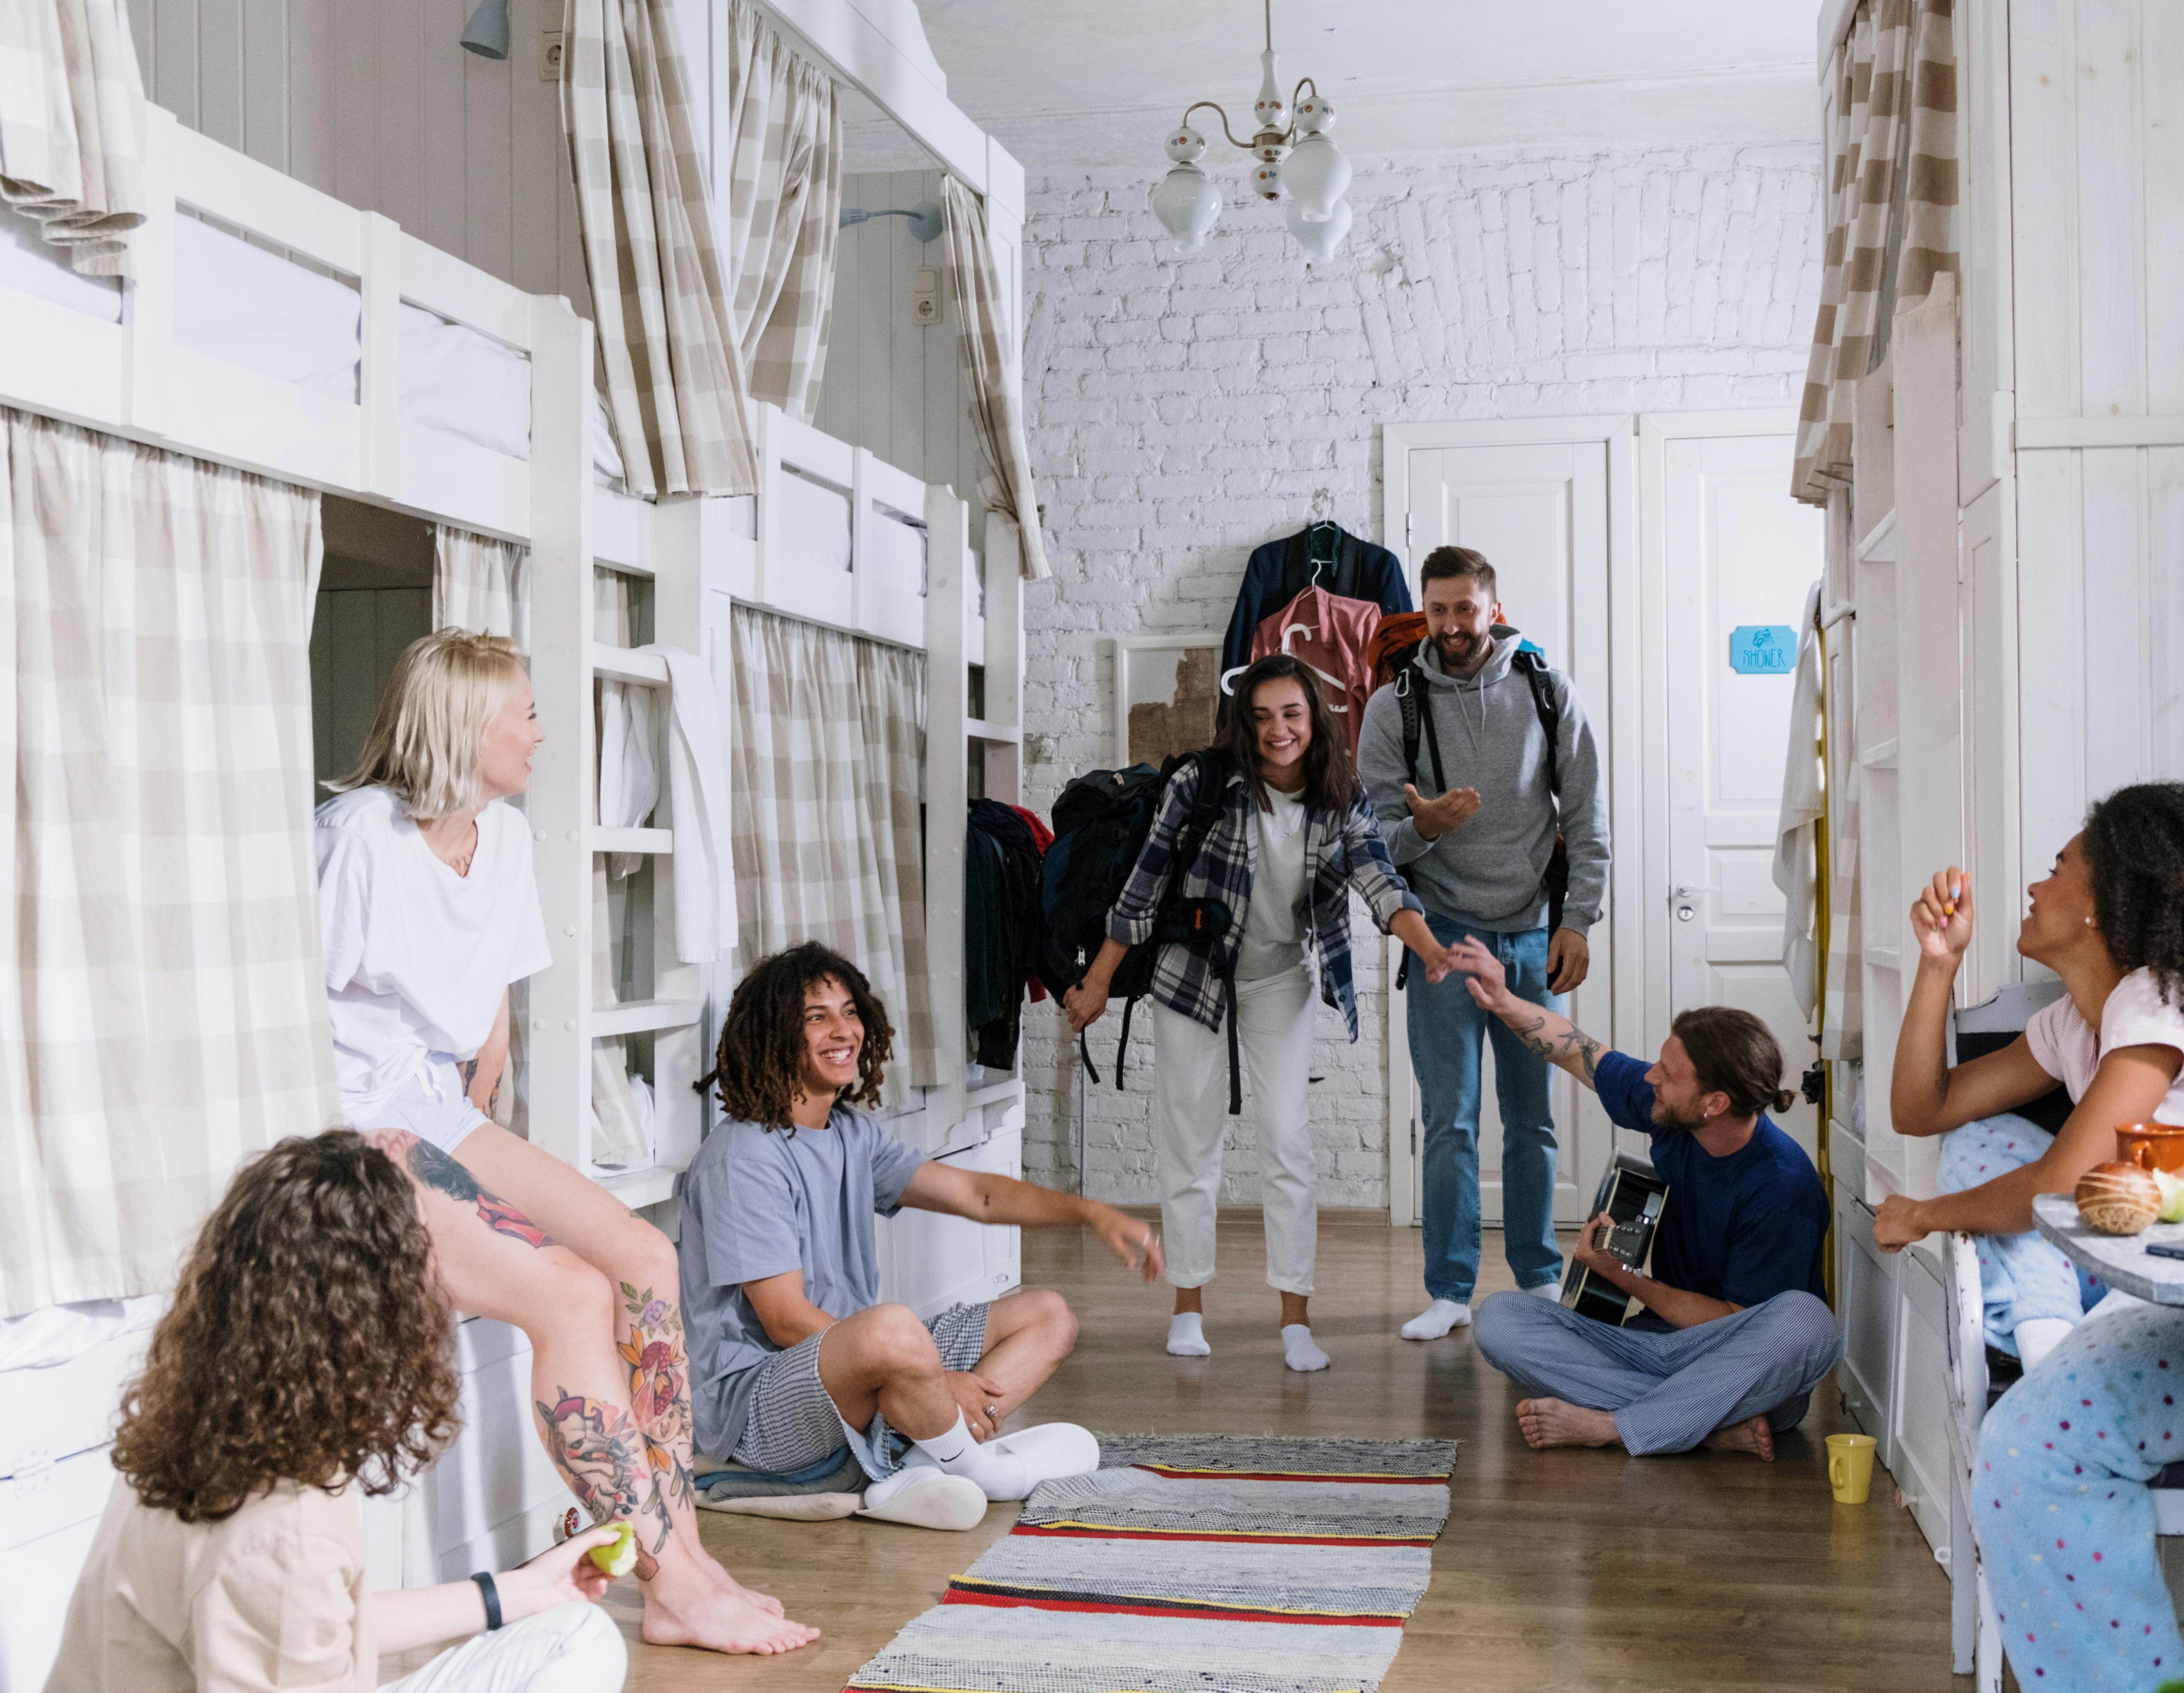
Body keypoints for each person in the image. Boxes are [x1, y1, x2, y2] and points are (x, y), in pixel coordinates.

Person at [314, 629, 810, 1655]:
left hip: (437, 1107)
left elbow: (487, 1028)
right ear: (466, 726)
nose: (542, 733)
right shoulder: (359, 837)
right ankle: (669, 1584)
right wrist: (420, 1187)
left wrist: (475, 1162)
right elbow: (283, 1015)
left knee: (643, 1259)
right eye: (527, 712)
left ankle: (685, 1549)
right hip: (348, 1125)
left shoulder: (505, 840)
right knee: (569, 1292)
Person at [1872, 781, 2184, 1690]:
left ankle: (2049, 1352)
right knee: (1983, 1140)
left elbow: (2062, 1188)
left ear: (2102, 902)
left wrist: (1926, 1215)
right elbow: (1923, 1108)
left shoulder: (2159, 998)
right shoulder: (2073, 1025)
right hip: (2172, 1298)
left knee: (2025, 1454)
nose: (2034, 884)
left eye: (2058, 867)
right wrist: (1936, 964)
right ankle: (2051, 1338)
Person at [47, 1130, 629, 1693]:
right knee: (582, 1648)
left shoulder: (202, 1426)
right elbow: (288, 1596)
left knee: (573, 1634)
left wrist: (517, 1592)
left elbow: (317, 1623)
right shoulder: (280, 1532)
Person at [679, 942, 1164, 1526]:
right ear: (773, 1034)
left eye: (850, 1011)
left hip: (859, 1365)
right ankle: (977, 1470)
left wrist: (1092, 1213)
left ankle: (916, 1464)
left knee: (1049, 1316)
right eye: (817, 1017)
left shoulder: (850, 1133)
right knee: (891, 1328)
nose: (843, 1030)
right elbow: (784, 1320)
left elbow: (975, 1195)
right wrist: (933, 1382)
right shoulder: (743, 1157)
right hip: (756, 1410)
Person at [1064, 655, 1453, 1368]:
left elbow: (1380, 880)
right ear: (1244, 722)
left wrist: (1430, 949)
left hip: (1279, 979)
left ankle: (1295, 1321)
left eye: (1292, 714)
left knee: (1287, 1143)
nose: (1278, 730)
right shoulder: (1203, 783)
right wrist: (1095, 983)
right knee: (1192, 1142)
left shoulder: (1342, 794)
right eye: (1263, 716)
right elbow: (1142, 889)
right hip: (1192, 978)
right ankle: (1188, 1307)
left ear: (1316, 719)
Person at [1356, 546, 1611, 1342]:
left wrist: (1579, 920)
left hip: (1535, 932)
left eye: (1466, 609)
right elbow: (1368, 839)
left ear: (1492, 610)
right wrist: (1423, 828)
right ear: (1424, 612)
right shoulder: (1391, 707)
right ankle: (1449, 1289)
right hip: (1440, 936)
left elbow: (1590, 814)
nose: (1452, 625)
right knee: (1450, 1119)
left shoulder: (1544, 689)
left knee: (1532, 1117)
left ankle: (1538, 1278)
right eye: (1438, 610)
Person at [1451, 940, 1837, 1459]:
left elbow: (1731, 1321)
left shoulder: (1782, 1189)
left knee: (1808, 1323)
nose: (1650, 1078)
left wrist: (1621, 1277)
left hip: (1732, 1362)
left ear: (1713, 1103)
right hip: (1652, 1346)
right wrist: (1501, 1000)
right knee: (1498, 1318)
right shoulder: (1673, 1112)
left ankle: (1614, 1425)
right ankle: (1701, 1426)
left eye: (1667, 1074)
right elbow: (1577, 1051)